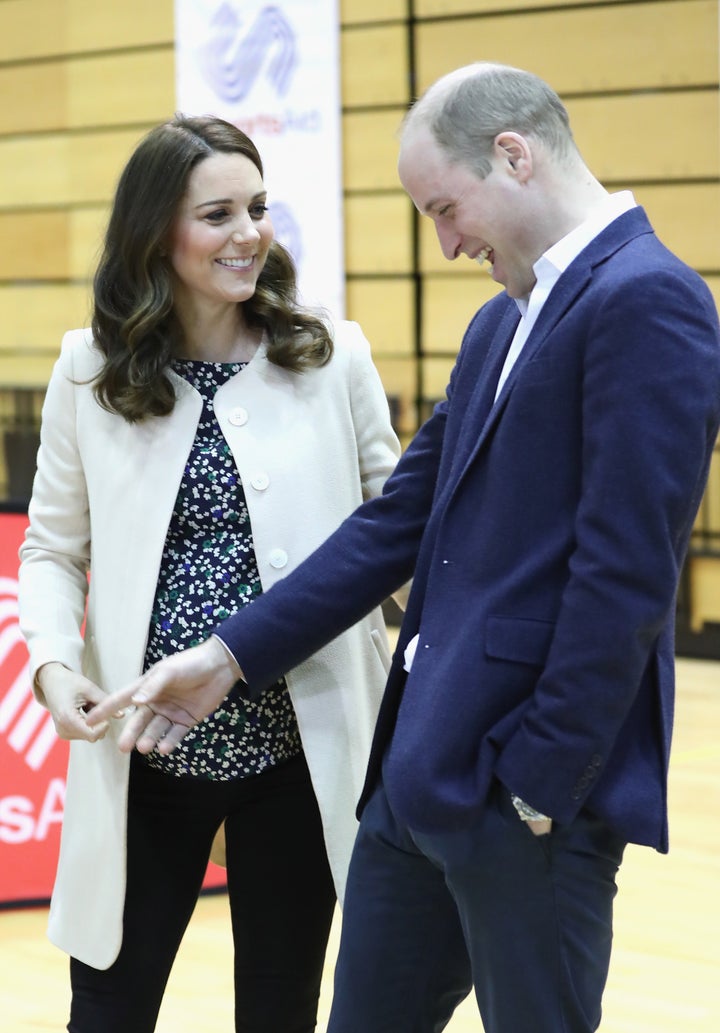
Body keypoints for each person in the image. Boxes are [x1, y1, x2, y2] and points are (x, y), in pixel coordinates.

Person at [89, 63, 720, 1033]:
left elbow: (626, 578)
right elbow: (392, 527)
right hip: (419, 779)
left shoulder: (651, 300)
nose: (446, 240)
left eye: (443, 207)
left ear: (512, 156)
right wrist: (227, 658)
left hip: (524, 802)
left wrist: (541, 785)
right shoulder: (497, 320)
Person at [18, 114, 401, 1033]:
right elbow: (50, 550)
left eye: (258, 208)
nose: (249, 234)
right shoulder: (88, 368)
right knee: (108, 1005)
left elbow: (400, 528)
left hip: (301, 749)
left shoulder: (333, 351)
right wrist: (53, 666)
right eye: (218, 214)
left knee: (281, 1005)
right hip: (143, 743)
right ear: (157, 232)